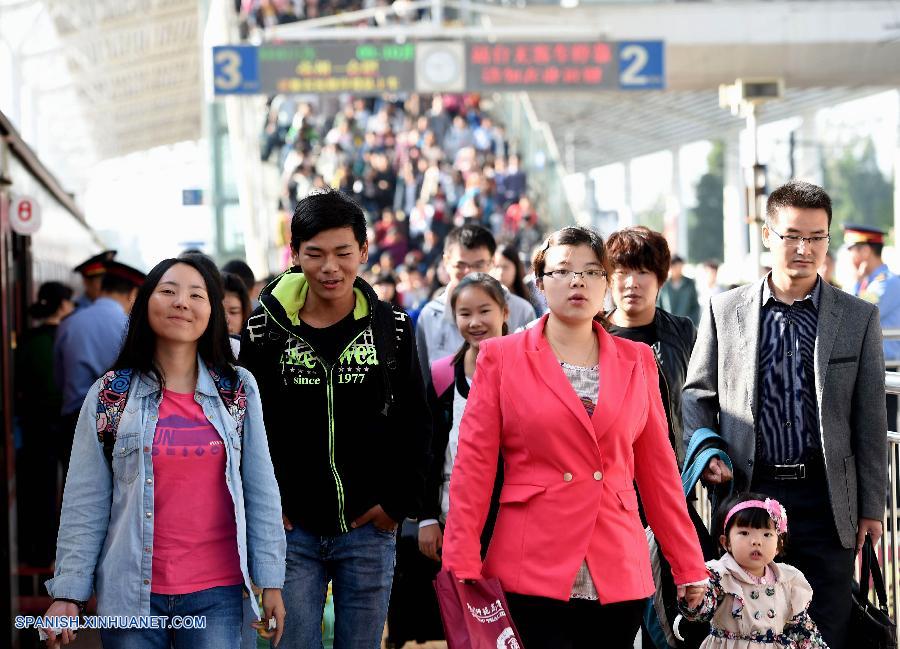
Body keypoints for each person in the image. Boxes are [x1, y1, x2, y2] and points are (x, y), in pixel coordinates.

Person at [441, 226, 708, 649]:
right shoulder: (502, 357)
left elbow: (659, 476)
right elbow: (472, 471)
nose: (578, 281)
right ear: (541, 282)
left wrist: (688, 565)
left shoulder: (637, 360)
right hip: (530, 562)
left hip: (616, 565)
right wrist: (460, 559)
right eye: (563, 270)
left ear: (606, 282)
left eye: (591, 271)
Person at [42, 255, 286, 648]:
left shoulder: (237, 389)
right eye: (168, 291)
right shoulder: (109, 395)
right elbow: (85, 501)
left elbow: (261, 488)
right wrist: (68, 593)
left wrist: (271, 580)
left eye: (197, 294)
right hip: (129, 594)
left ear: (212, 311)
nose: (182, 303)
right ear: (144, 304)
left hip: (217, 594)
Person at [682, 180, 887, 649]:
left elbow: (870, 420)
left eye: (817, 237)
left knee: (826, 626)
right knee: (751, 632)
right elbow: (696, 395)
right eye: (793, 235)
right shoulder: (724, 310)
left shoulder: (858, 318)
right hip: (750, 502)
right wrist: (708, 449)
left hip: (827, 501)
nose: (804, 248)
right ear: (768, 236)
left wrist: (872, 506)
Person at [239, 189, 431, 649]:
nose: (331, 267)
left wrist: (395, 505)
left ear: (363, 252)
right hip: (291, 534)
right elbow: (244, 427)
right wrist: (267, 508)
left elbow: (417, 423)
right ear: (295, 255)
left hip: (369, 528)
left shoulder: (394, 329)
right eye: (315, 254)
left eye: (344, 253)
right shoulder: (263, 332)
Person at [418, 273, 510, 561]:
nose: (475, 322)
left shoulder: (526, 369)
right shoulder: (442, 374)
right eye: (465, 313)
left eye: (485, 311)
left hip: (511, 520)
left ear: (504, 312)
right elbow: (429, 449)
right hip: (453, 518)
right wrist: (427, 517)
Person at [679, 493, 827, 649]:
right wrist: (695, 599)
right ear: (726, 542)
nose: (756, 541)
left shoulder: (788, 581)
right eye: (744, 533)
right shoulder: (720, 575)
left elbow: (801, 630)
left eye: (767, 534)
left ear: (778, 545)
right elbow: (703, 610)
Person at [606, 226, 696, 468]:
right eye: (622, 271)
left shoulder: (682, 332)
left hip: (672, 473)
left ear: (660, 279)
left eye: (643, 272)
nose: (632, 283)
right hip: (610, 475)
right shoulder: (592, 334)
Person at [53, 260, 146, 476]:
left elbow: (59, 379)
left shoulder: (68, 324)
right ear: (133, 292)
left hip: (74, 423)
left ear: (103, 287)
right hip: (120, 423)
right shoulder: (132, 328)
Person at [416, 224, 536, 377]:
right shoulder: (429, 316)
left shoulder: (522, 311)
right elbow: (425, 382)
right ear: (446, 261)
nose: (469, 273)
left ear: (492, 262)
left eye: (478, 264)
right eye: (461, 265)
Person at [15, 282, 74, 566]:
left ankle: (36, 550)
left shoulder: (28, 340)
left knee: (37, 488)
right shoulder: (68, 337)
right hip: (62, 421)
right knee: (69, 488)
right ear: (63, 305)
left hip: (33, 424)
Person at [844, 224, 900, 428]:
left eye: (851, 249)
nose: (849, 256)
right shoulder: (867, 283)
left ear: (865, 251)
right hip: (871, 364)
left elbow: (853, 313)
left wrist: (854, 281)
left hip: (886, 365)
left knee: (882, 430)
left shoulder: (887, 283)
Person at [491, 243, 545, 317]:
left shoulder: (529, 301)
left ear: (516, 268)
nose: (500, 273)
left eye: (505, 267)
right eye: (497, 267)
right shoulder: (488, 298)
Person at [658, 254, 701, 326]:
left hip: (685, 327)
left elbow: (695, 306)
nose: (678, 269)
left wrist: (690, 323)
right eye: (675, 267)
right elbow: (658, 306)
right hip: (667, 326)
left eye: (680, 266)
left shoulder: (690, 284)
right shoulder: (663, 285)